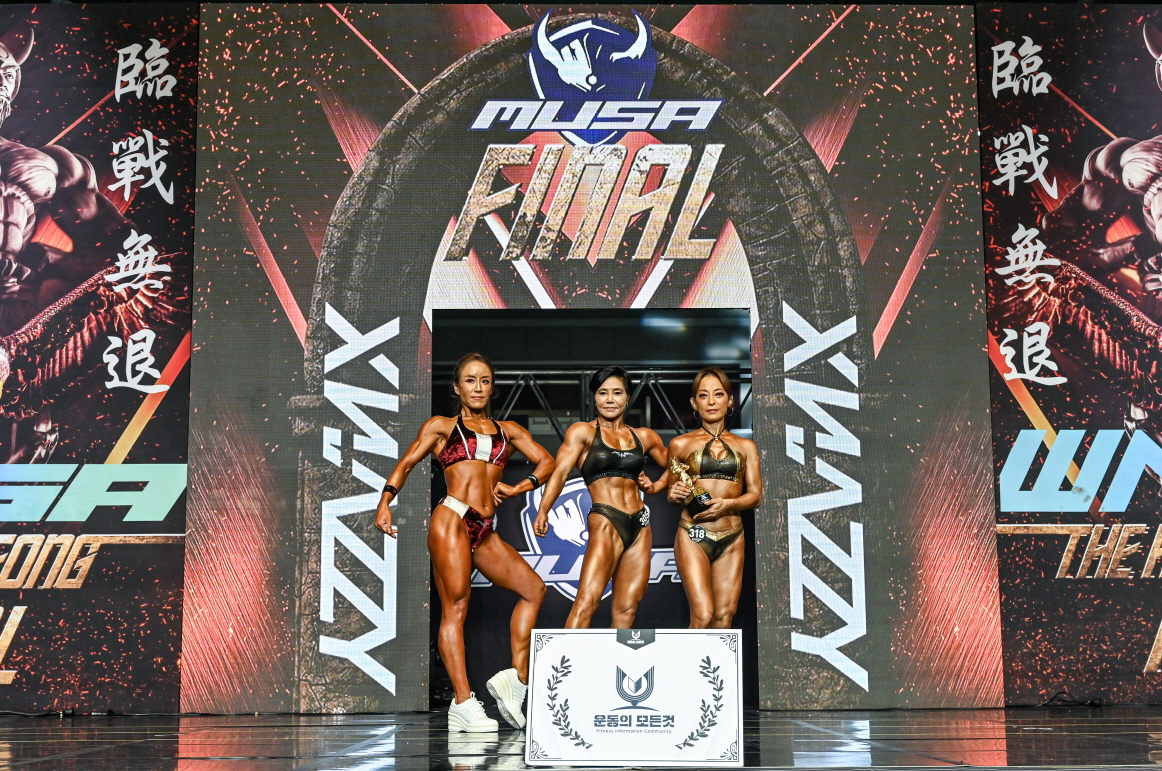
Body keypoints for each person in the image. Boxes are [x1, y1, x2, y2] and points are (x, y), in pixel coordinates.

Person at [374, 353, 554, 732]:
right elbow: (406, 463)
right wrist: (385, 502)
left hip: (485, 528)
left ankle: (516, 680)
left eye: (485, 380)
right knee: (455, 608)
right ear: (457, 388)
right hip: (453, 518)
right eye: (470, 380)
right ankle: (463, 701)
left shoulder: (509, 431)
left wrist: (520, 487)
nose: (478, 387)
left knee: (534, 589)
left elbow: (547, 461)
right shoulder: (442, 427)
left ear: (492, 387)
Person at [534, 367, 668, 629]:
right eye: (603, 393)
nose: (609, 399)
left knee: (627, 608)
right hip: (607, 518)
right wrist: (543, 510)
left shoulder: (644, 436)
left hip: (640, 523)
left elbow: (678, 463)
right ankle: (566, 657)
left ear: (627, 398)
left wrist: (657, 486)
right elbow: (560, 473)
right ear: (594, 398)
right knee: (587, 602)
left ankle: (617, 658)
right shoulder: (582, 432)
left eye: (617, 393)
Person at [667, 367, 762, 628]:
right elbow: (673, 494)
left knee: (724, 617)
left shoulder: (746, 446)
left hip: (732, 536)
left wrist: (728, 504)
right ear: (694, 403)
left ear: (730, 400)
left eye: (718, 394)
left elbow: (756, 496)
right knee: (703, 615)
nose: (711, 401)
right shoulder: (680, 444)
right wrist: (674, 493)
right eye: (703, 395)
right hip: (693, 533)